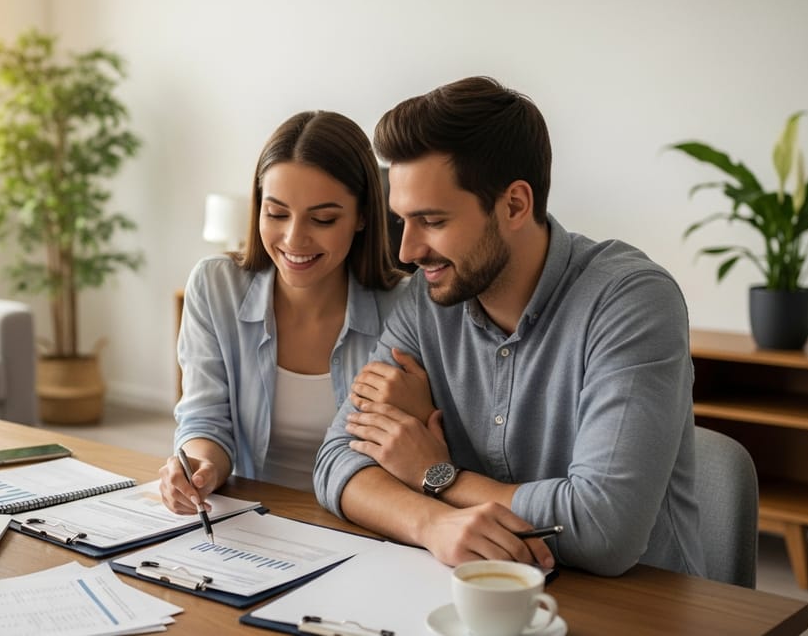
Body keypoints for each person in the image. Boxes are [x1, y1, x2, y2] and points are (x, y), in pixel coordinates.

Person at [314, 77, 705, 578]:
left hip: (632, 604)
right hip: (478, 589)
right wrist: (432, 524)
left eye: (432, 221)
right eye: (402, 221)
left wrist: (435, 474)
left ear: (515, 205)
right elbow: (337, 463)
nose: (408, 251)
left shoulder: (630, 302)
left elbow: (604, 530)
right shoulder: (426, 300)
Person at [159, 110, 409, 514]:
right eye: (276, 214)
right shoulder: (215, 286)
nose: (294, 239)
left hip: (365, 522)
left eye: (323, 219)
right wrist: (200, 468)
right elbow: (204, 418)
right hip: (254, 520)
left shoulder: (407, 308)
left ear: (362, 215)